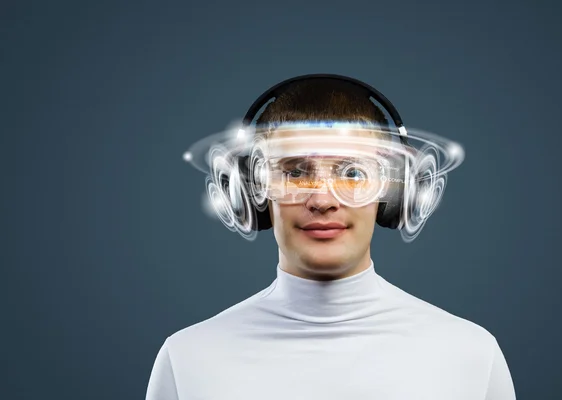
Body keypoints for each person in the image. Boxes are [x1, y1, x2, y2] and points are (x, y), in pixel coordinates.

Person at [145, 76, 516, 400]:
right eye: (294, 173)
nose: (322, 200)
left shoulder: (470, 355)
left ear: (395, 193)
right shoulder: (188, 358)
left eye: (352, 173)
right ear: (251, 191)